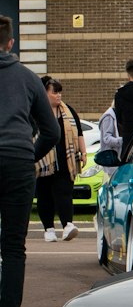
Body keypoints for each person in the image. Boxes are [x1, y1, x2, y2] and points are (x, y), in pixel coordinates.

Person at [0, 17, 60, 307]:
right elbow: (51, 130)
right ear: (11, 44)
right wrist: (29, 155)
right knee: (12, 247)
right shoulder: (27, 78)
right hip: (18, 162)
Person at [35, 76, 87, 242]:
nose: (59, 95)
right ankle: (49, 228)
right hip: (42, 161)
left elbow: (79, 132)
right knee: (44, 195)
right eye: (54, 92)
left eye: (60, 92)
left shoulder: (69, 111)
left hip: (66, 159)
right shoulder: (35, 112)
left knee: (64, 193)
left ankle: (68, 225)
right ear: (45, 93)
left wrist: (83, 153)